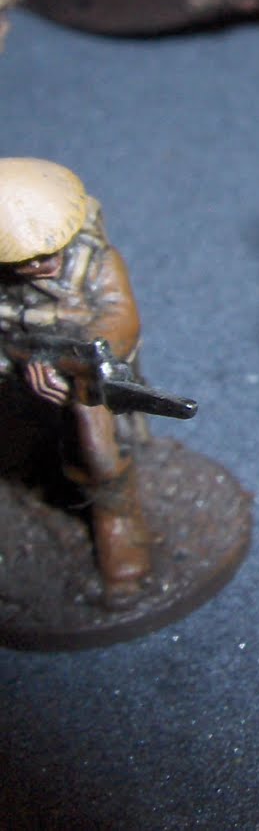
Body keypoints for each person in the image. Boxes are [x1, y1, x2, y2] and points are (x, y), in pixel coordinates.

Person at [0, 158, 150, 603]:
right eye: (27, 261)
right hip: (16, 380)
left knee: (99, 455)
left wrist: (74, 361)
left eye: (49, 253)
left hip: (86, 382)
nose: (43, 265)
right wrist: (19, 363)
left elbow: (120, 319)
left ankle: (117, 521)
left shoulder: (95, 263)